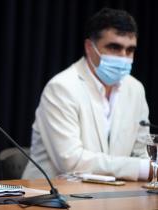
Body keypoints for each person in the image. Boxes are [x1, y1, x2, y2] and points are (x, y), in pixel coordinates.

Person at [23, 8, 151, 181]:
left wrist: (148, 166)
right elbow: (71, 162)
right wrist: (142, 168)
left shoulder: (135, 89)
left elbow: (142, 152)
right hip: (53, 198)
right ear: (90, 47)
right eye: (114, 47)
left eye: (130, 50)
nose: (124, 57)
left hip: (112, 195)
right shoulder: (62, 87)